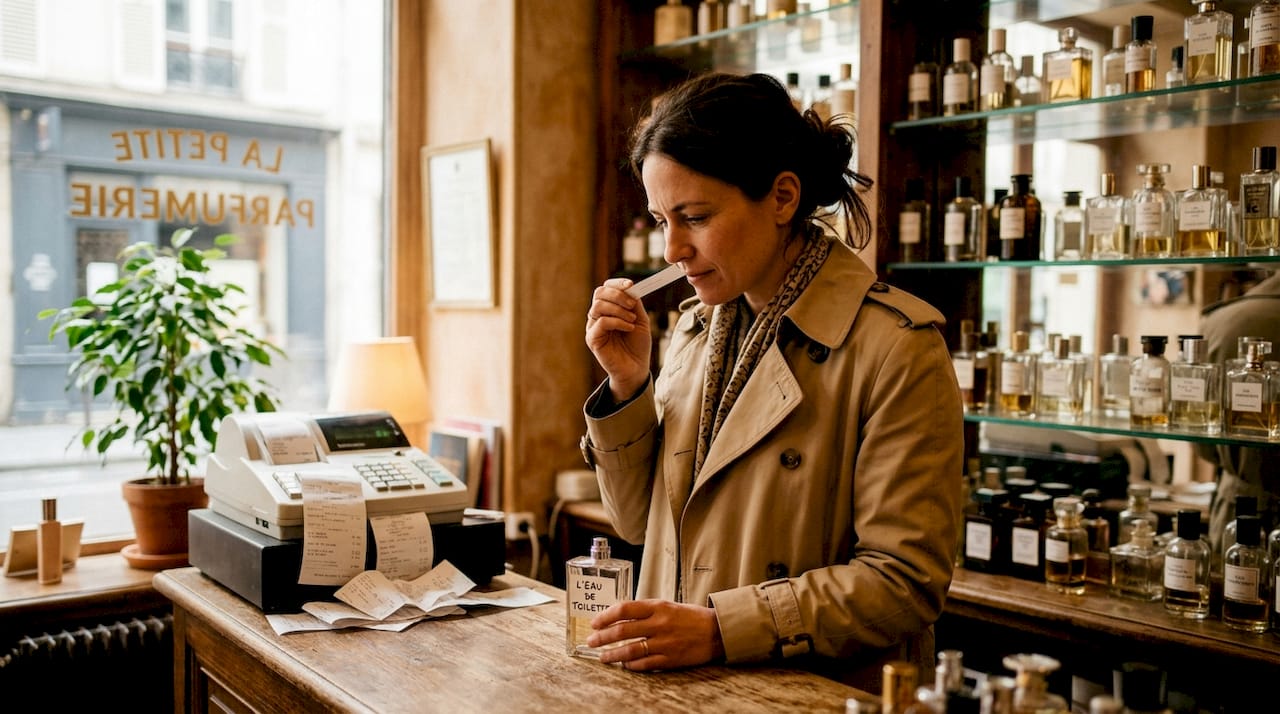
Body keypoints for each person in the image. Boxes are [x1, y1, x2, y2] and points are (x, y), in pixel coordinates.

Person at [579, 72, 963, 693]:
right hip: (674, 689)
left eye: (695, 217)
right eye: (659, 220)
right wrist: (628, 386)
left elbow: (904, 582)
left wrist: (721, 629)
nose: (673, 248)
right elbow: (637, 527)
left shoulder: (896, 347)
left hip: (807, 694)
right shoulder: (695, 331)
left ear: (783, 197)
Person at [1198, 269, 1280, 556]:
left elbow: (1205, 446)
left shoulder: (1221, 319)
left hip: (1238, 508)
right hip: (1241, 502)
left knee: (1235, 595)